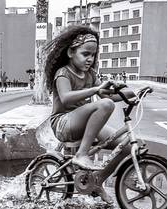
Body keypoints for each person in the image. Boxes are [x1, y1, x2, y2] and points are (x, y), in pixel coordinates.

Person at [43, 26, 136, 172]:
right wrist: (95, 89)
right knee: (105, 105)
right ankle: (82, 154)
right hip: (63, 124)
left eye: (93, 55)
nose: (90, 59)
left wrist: (133, 93)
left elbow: (108, 95)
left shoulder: (90, 74)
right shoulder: (63, 73)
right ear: (70, 52)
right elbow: (66, 98)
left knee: (126, 146)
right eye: (85, 54)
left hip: (83, 123)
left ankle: (98, 180)